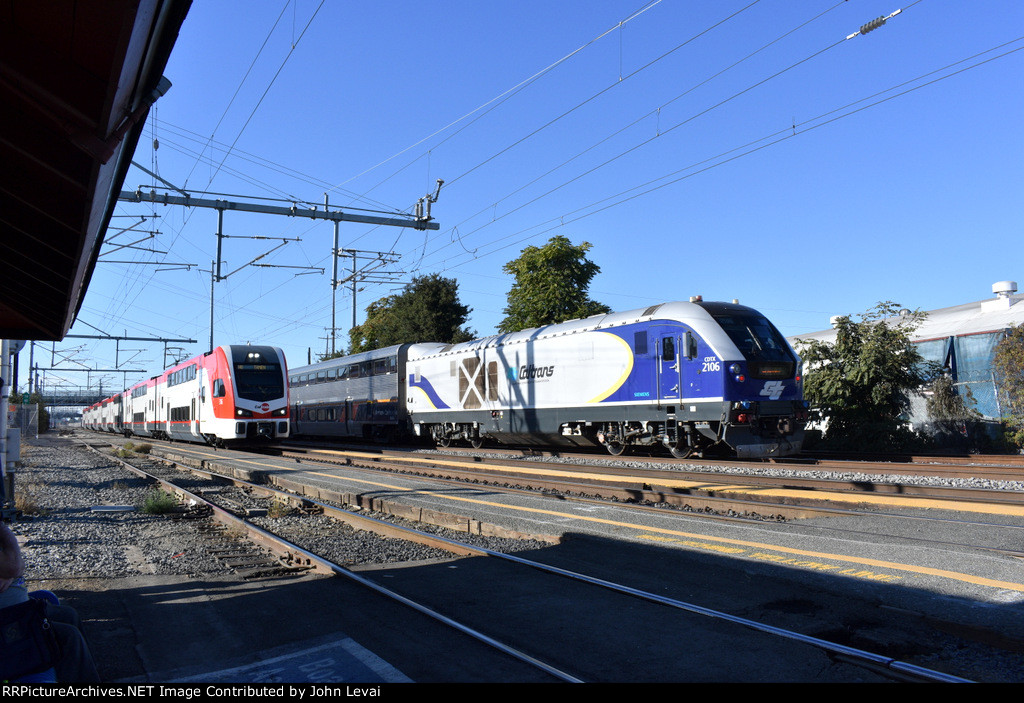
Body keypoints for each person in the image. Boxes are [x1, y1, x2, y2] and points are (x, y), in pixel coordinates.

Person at [1, 521, 100, 682]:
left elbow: (15, 567)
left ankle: (88, 673)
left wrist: (12, 573)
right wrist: (3, 528)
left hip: (18, 609)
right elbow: (14, 566)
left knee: (68, 615)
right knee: (69, 638)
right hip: (8, 622)